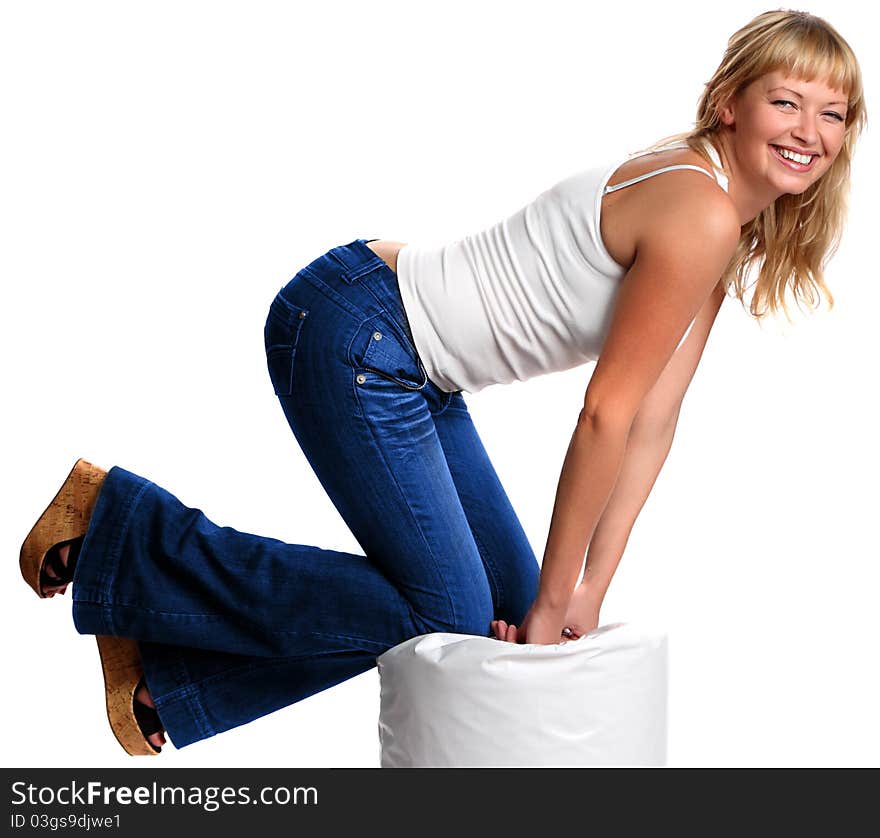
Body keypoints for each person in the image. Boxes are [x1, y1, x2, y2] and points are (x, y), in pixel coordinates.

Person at [19, 10, 866, 756]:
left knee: (499, 606)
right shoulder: (702, 208)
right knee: (455, 620)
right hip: (360, 335)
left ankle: (165, 684)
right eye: (786, 101)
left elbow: (654, 417)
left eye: (833, 113)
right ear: (730, 102)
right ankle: (122, 537)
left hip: (409, 365)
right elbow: (605, 415)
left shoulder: (725, 224)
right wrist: (550, 604)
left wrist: (579, 596)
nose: (809, 130)